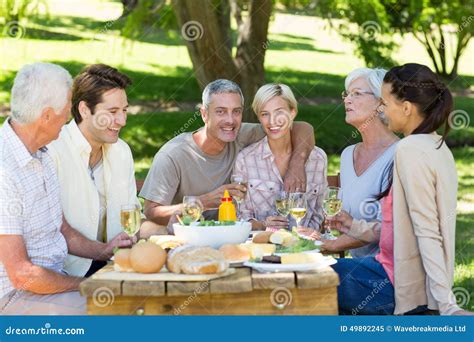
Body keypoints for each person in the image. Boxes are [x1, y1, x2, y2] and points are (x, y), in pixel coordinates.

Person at [330, 63, 471, 315]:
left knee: (310, 281)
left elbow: (428, 230)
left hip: (396, 285)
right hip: (387, 270)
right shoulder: (437, 145)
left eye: (384, 103)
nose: (381, 110)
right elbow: (400, 226)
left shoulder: (409, 149)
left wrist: (446, 305)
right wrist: (354, 226)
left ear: (406, 108)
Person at [0, 63, 132, 315]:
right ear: (47, 115)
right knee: (114, 310)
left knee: (136, 306)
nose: (69, 118)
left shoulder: (42, 154)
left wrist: (104, 250)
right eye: (66, 109)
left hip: (50, 285)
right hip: (13, 297)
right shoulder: (4, 172)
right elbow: (22, 275)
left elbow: (62, 229)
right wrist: (88, 285)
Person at [140, 79, 316, 228]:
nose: (230, 120)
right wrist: (203, 202)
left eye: (236, 112)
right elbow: (151, 211)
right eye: (221, 111)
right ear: (204, 114)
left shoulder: (241, 134)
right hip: (187, 236)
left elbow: (301, 127)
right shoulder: (173, 155)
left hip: (230, 237)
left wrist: (297, 164)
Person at [47, 64, 143, 277]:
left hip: (116, 265)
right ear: (84, 110)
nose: (122, 121)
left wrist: (172, 227)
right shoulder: (53, 149)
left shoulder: (122, 152)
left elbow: (133, 216)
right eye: (112, 112)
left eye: (124, 110)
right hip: (64, 272)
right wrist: (103, 251)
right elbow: (56, 227)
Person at [321, 68, 399, 257]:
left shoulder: (400, 154)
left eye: (356, 94)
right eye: (346, 94)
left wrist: (332, 245)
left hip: (386, 271)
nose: (346, 100)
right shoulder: (348, 154)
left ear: (381, 103)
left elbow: (390, 229)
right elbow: (345, 220)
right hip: (356, 266)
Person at [233, 83, 327, 230]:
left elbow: (320, 213)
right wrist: (263, 225)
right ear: (259, 117)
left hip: (304, 247)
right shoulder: (245, 159)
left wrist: (307, 235)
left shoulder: (318, 159)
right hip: (262, 247)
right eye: (265, 114)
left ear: (292, 112)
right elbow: (240, 217)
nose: (272, 121)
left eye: (279, 112)